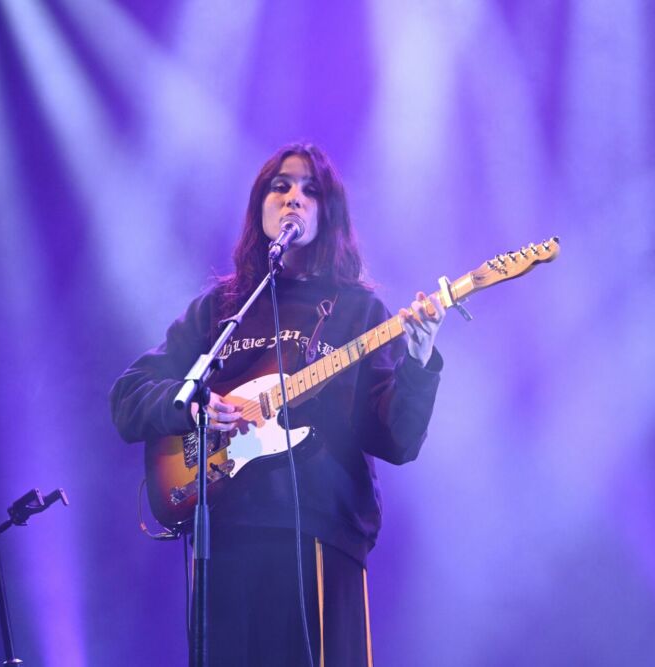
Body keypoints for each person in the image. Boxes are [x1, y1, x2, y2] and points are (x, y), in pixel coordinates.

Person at [110, 142, 446, 666]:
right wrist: (193, 410)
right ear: (259, 205)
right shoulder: (222, 308)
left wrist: (419, 360)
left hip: (320, 532)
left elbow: (399, 440)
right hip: (224, 535)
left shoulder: (361, 311)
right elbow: (129, 393)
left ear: (329, 212)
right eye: (281, 186)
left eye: (311, 191)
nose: (294, 199)